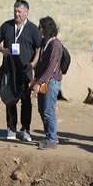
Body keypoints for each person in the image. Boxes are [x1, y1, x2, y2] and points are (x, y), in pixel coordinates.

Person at [0, 0, 42, 142]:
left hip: (25, 71)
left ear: (26, 13)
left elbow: (39, 47)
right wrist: (2, 49)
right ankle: (11, 130)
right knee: (10, 100)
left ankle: (26, 130)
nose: (16, 14)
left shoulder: (33, 29)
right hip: (9, 71)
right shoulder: (7, 25)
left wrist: (33, 64)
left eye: (19, 11)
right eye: (15, 10)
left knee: (26, 102)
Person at [30, 17, 63, 150]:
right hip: (44, 80)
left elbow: (51, 67)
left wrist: (39, 82)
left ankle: (51, 139)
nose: (39, 29)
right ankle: (50, 135)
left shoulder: (55, 45)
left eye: (41, 27)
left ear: (46, 29)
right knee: (42, 109)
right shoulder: (45, 41)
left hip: (51, 81)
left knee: (48, 110)